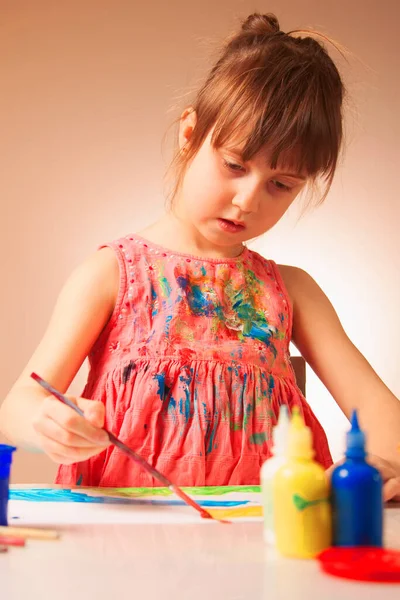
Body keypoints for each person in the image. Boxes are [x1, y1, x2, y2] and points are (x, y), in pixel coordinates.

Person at [1, 13, 399, 498]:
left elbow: (380, 414)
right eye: (234, 164)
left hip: (259, 542)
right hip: (120, 545)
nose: (248, 200)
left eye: (281, 185)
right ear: (190, 132)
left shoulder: (291, 291)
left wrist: (385, 462)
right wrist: (48, 422)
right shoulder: (112, 273)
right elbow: (17, 405)